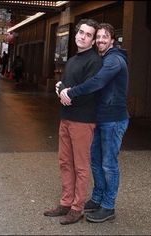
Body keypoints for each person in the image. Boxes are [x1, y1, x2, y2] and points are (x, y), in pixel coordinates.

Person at [58, 23, 130, 223]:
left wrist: (69, 92)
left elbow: (96, 82)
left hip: (114, 120)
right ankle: (97, 199)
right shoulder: (103, 58)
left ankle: (108, 206)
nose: (100, 40)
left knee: (108, 164)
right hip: (100, 118)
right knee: (96, 163)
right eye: (98, 37)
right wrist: (62, 87)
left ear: (112, 40)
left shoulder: (114, 60)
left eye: (104, 37)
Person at [43, 19, 102, 225]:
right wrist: (60, 89)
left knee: (81, 166)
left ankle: (77, 208)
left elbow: (89, 90)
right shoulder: (73, 60)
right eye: (81, 32)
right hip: (66, 118)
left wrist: (68, 94)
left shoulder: (94, 61)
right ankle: (65, 203)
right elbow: (66, 86)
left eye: (88, 35)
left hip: (83, 121)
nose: (82, 36)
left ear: (93, 40)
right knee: (65, 162)